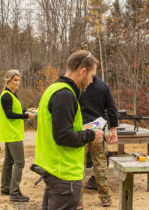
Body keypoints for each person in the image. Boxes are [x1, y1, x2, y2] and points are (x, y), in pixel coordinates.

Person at [34, 50, 111, 209]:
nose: (91, 81)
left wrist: (82, 130)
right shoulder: (65, 95)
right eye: (91, 76)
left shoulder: (53, 89)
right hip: (64, 175)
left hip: (54, 169)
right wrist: (91, 134)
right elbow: (63, 136)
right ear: (83, 72)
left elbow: (60, 128)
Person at [78, 76, 118, 208]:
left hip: (80, 132)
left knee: (78, 166)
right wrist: (113, 130)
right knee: (100, 165)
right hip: (98, 131)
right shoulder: (103, 86)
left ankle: (77, 201)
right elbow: (112, 108)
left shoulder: (76, 84)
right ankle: (105, 198)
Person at [0, 69, 36, 202]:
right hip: (12, 134)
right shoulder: (6, 95)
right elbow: (9, 114)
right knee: (20, 162)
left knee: (8, 162)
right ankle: (14, 192)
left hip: (11, 133)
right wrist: (26, 116)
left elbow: (15, 111)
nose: (17, 82)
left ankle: (5, 188)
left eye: (19, 80)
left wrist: (27, 111)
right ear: (8, 80)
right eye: (15, 80)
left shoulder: (12, 94)